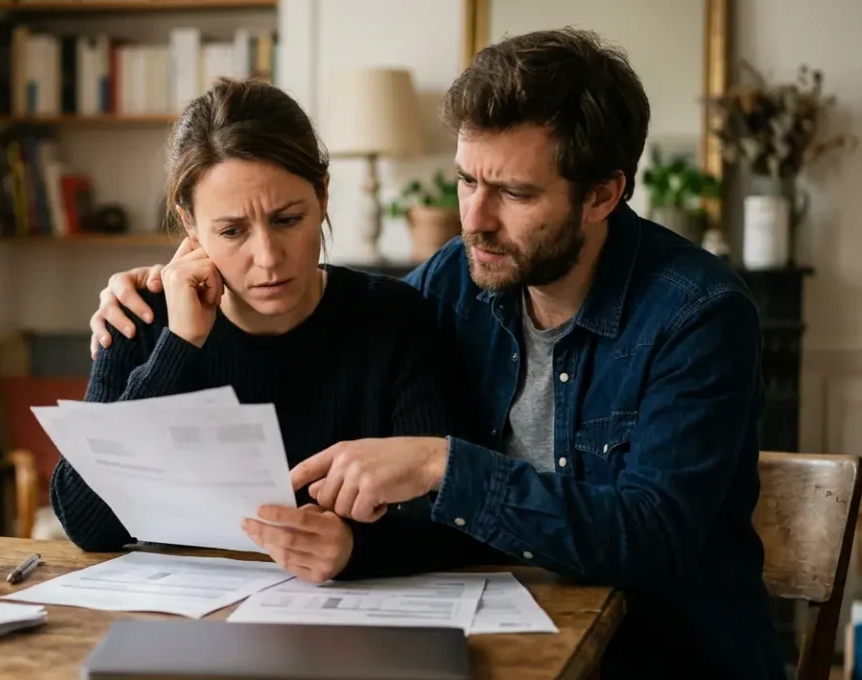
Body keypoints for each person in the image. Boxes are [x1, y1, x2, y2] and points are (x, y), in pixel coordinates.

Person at [87, 29, 784, 680]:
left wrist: (441, 465)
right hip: (495, 642)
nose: (474, 220)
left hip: (665, 659)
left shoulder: (698, 314)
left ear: (603, 193)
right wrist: (158, 297)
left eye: (513, 193)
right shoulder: (456, 280)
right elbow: (339, 346)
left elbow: (651, 538)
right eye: (468, 181)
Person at [51, 77, 481, 585]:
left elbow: (457, 517)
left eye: (287, 220)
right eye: (232, 231)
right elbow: (87, 524)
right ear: (189, 223)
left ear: (323, 195)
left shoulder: (393, 318)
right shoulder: (141, 316)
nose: (268, 258)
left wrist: (354, 549)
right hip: (182, 614)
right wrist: (179, 345)